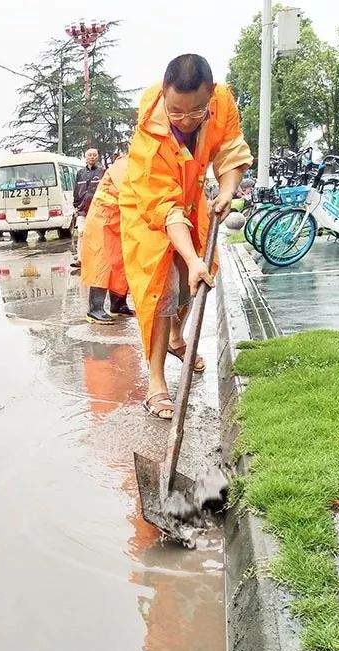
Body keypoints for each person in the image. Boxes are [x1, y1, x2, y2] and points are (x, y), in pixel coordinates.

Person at [119, 54, 252, 419]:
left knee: (195, 281)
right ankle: (157, 382)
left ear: (210, 95)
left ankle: (180, 338)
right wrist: (190, 258)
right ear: (164, 94)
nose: (187, 120)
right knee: (160, 290)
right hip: (147, 208)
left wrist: (227, 190)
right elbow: (163, 208)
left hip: (193, 199)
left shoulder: (222, 103)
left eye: (197, 112)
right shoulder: (150, 131)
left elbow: (230, 153)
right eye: (177, 112)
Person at [80, 153, 134, 324]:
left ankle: (118, 304)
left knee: (119, 263)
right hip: (102, 222)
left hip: (117, 222)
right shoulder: (123, 165)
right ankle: (94, 310)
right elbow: (127, 191)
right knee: (101, 264)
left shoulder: (133, 164)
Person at [72, 148, 103, 267]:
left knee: (97, 234)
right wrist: (75, 206)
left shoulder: (102, 172)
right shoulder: (80, 173)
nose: (92, 157)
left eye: (94, 155)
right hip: (82, 209)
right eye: (89, 155)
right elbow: (76, 190)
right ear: (86, 157)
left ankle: (98, 258)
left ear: (97, 157)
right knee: (81, 233)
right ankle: (80, 259)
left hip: (97, 209)